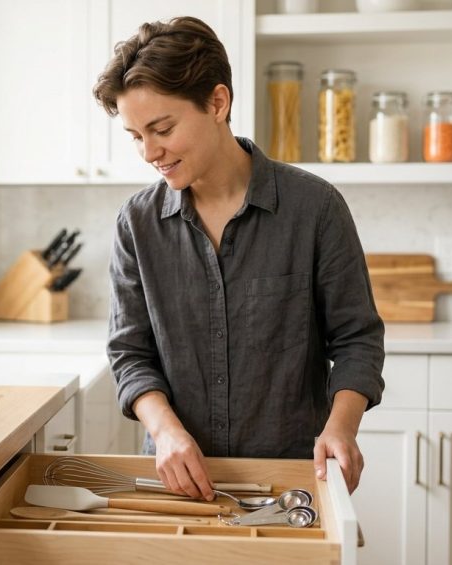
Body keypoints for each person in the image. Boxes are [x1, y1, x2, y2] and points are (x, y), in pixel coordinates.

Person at [94, 16, 385, 501]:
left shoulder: (315, 209)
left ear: (217, 102)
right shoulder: (137, 224)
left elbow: (357, 339)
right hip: (177, 481)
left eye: (161, 128)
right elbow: (129, 353)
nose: (149, 152)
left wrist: (341, 427)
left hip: (290, 486)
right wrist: (165, 430)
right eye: (135, 135)